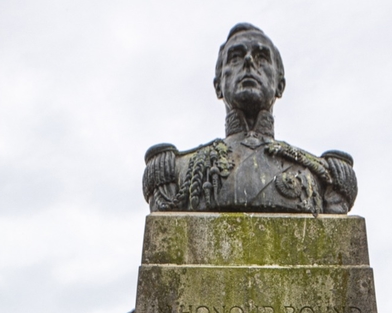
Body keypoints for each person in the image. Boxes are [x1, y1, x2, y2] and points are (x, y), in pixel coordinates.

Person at [143, 24, 357, 216]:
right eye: (235, 57)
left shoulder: (323, 178)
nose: (248, 61)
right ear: (218, 84)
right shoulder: (177, 173)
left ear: (280, 84)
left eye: (261, 57)